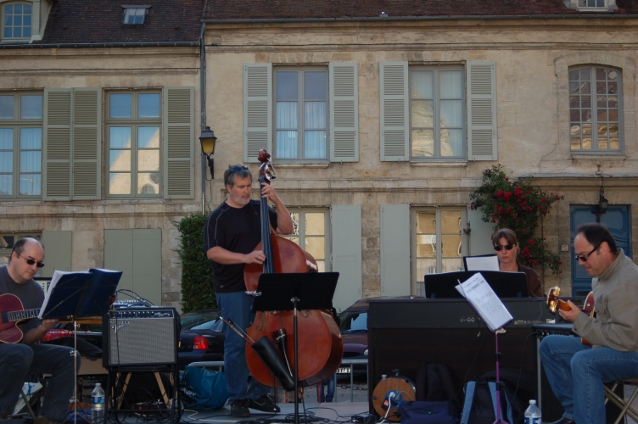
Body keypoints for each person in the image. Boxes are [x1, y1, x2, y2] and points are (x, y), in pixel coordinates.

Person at [204, 164, 294, 418]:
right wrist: (245, 258)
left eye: (249, 186)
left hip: (263, 285)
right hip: (233, 288)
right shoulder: (218, 217)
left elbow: (287, 229)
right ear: (228, 187)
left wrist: (276, 200)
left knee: (268, 340)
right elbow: (213, 252)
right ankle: (238, 397)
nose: (246, 191)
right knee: (237, 344)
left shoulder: (259, 208)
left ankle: (258, 393)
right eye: (241, 187)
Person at [539, 223, 638, 424]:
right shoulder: (603, 274)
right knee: (549, 346)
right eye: (578, 257)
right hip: (611, 346)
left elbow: (625, 339)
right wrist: (581, 319)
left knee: (584, 362)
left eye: (584, 257)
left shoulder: (625, 282)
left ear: (603, 248)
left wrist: (580, 320)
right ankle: (574, 414)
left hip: (632, 352)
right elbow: (606, 325)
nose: (581, 263)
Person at [0, 237, 80, 424]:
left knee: (70, 356)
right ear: (14, 256)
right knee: (22, 352)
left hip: (18, 350)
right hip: (16, 353)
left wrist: (44, 327)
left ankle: (49, 417)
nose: (34, 267)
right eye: (30, 261)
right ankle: (3, 414)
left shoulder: (36, 292)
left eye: (39, 263)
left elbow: (27, 338)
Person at [492, 228, 544, 297]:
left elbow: (539, 302)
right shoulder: (488, 275)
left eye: (508, 247)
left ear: (516, 246)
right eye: (498, 248)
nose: (504, 252)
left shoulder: (531, 276)